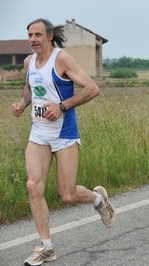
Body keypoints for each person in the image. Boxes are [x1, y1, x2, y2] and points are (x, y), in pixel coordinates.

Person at [11, 18, 115, 266]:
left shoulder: (62, 59)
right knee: (34, 186)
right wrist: (22, 104)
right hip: (38, 134)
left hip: (64, 133)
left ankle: (98, 200)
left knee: (67, 195)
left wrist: (62, 106)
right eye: (30, 35)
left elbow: (92, 88)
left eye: (38, 35)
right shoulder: (29, 62)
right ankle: (46, 247)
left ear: (49, 36)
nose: (33, 39)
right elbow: (29, 89)